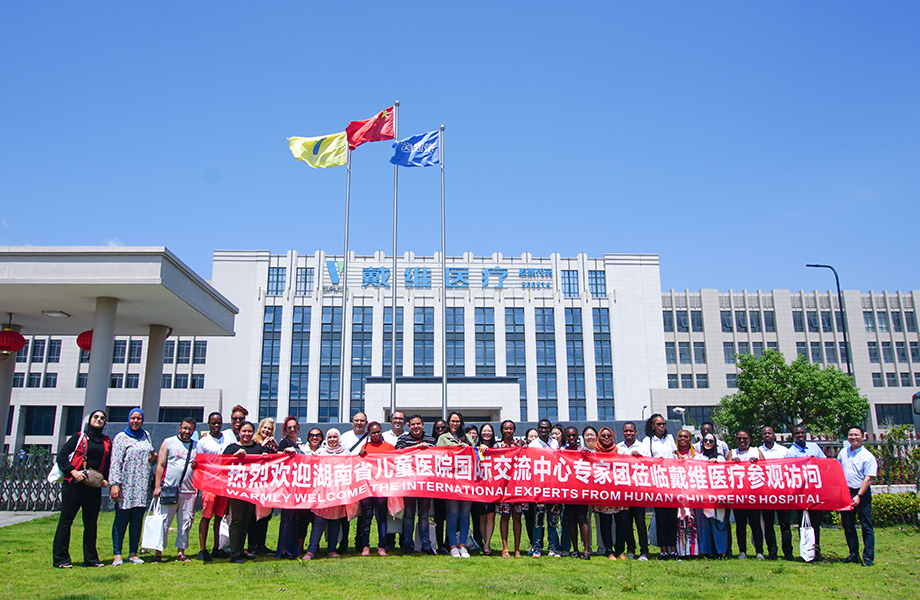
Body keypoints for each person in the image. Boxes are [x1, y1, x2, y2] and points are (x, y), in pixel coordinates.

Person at [52, 410, 111, 568]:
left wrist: (105, 479)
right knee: (66, 521)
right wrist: (73, 471)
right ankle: (61, 559)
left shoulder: (106, 441)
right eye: (96, 417)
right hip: (74, 484)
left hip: (93, 486)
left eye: (102, 418)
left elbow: (107, 462)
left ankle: (91, 559)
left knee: (91, 523)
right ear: (90, 419)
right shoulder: (79, 437)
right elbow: (62, 456)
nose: (99, 420)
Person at [109, 408, 155, 566]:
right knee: (121, 520)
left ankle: (133, 553)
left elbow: (149, 456)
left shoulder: (145, 435)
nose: (136, 421)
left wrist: (152, 458)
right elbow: (115, 462)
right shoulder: (121, 438)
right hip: (126, 484)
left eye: (139, 419)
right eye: (133, 418)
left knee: (136, 521)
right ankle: (117, 554)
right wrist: (115, 484)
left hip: (141, 486)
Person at [152, 417, 199, 563]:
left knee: (185, 522)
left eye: (190, 429)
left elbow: (199, 469)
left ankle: (181, 551)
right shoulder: (169, 442)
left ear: (193, 430)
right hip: (169, 489)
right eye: (184, 428)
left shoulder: (197, 446)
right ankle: (158, 552)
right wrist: (157, 486)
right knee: (164, 521)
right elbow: (160, 465)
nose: (187, 431)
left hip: (189, 491)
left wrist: (196, 488)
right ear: (179, 428)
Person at [303, 428, 349, 560]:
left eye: (335, 437)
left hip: (338, 493)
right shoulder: (320, 452)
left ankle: (332, 550)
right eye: (330, 437)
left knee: (335, 523)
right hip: (323, 493)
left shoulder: (345, 453)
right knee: (318, 522)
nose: (332, 440)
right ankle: (311, 550)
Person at [223, 421, 265, 563]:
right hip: (236, 490)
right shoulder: (231, 448)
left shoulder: (257, 448)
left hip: (252, 490)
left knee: (247, 521)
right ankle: (234, 553)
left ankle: (241, 550)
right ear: (239, 432)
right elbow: (221, 465)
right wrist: (234, 456)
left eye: (249, 431)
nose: (246, 434)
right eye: (244, 431)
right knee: (237, 520)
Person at [785, 423, 827, 561]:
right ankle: (806, 551)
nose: (800, 435)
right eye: (797, 434)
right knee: (804, 524)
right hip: (800, 494)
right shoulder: (790, 453)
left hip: (815, 492)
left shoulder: (814, 447)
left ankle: (817, 551)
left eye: (802, 433)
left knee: (816, 523)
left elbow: (824, 464)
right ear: (793, 436)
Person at [396, 414, 436, 555]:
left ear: (423, 425)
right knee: (409, 514)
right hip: (408, 484)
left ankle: (426, 544)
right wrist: (418, 447)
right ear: (408, 426)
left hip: (425, 484)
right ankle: (407, 543)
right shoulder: (403, 439)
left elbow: (438, 457)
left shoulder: (431, 440)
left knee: (424, 514)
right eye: (413, 424)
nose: (416, 427)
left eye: (418, 424)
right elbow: (398, 454)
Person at [837, 425, 877, 567]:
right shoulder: (843, 452)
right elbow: (838, 471)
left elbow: (868, 478)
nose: (853, 437)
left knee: (866, 525)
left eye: (856, 435)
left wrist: (859, 495)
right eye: (851, 435)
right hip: (846, 492)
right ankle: (853, 554)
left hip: (862, 493)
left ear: (863, 437)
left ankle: (868, 557)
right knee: (848, 525)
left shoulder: (867, 456)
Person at [195, 411, 232, 562]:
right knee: (206, 516)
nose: (216, 425)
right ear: (208, 424)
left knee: (219, 517)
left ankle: (217, 547)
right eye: (213, 423)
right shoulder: (203, 442)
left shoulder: (228, 439)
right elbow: (198, 463)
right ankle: (203, 549)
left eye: (218, 422)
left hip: (224, 484)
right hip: (209, 484)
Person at [438, 411, 475, 558]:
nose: (455, 424)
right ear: (448, 423)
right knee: (452, 514)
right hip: (450, 482)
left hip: (466, 482)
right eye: (452, 421)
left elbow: (478, 456)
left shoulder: (467, 438)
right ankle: (453, 546)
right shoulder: (443, 438)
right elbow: (438, 456)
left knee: (465, 514)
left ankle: (463, 545)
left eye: (457, 421)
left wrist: (468, 447)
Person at [643, 413, 678, 559]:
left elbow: (676, 456)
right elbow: (645, 460)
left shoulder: (669, 439)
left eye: (663, 424)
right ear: (653, 426)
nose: (662, 427)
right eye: (659, 424)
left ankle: (674, 549)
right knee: (661, 517)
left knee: (672, 517)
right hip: (658, 482)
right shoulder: (648, 441)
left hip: (671, 482)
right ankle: (663, 549)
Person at [357, 422, 394, 556]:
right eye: (373, 433)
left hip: (382, 489)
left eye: (378, 432)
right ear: (369, 434)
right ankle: (365, 546)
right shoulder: (365, 447)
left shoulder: (389, 447)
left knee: (381, 518)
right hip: (367, 489)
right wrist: (360, 456)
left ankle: (382, 546)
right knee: (366, 518)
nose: (376, 434)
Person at [615, 421, 650, 561]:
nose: (628, 433)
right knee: (626, 522)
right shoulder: (618, 448)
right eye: (626, 431)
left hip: (639, 491)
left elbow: (650, 466)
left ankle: (644, 551)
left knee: (640, 522)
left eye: (631, 431)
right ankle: (631, 549)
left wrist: (640, 459)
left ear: (635, 432)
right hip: (624, 492)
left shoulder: (643, 447)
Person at [729, 430, 765, 559]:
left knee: (755, 524)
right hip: (738, 496)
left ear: (749, 440)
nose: (742, 441)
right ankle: (742, 551)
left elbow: (766, 467)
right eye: (739, 439)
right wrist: (733, 463)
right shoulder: (732, 453)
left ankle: (759, 551)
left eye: (744, 438)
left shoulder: (756, 451)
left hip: (753, 495)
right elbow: (725, 470)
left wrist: (757, 463)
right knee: (740, 525)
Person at [337, 411, 368, 554]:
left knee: (363, 513)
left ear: (366, 423)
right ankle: (343, 542)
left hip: (364, 479)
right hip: (347, 479)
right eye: (356, 420)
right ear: (352, 422)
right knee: (345, 514)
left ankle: (360, 542)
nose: (359, 423)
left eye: (362, 421)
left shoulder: (370, 437)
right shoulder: (345, 437)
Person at [529, 419, 561, 558]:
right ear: (538, 429)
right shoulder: (533, 445)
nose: (544, 430)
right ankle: (537, 548)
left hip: (553, 487)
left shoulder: (555, 443)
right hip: (538, 488)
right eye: (541, 428)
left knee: (553, 519)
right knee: (539, 519)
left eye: (546, 428)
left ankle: (553, 548)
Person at [758, 425, 791, 560]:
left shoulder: (784, 451)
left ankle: (788, 552)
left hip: (782, 491)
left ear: (774, 436)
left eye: (769, 433)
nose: (767, 435)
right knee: (768, 523)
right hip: (766, 492)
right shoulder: (758, 451)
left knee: (785, 524)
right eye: (765, 433)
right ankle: (772, 551)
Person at [494, 420, 525, 558]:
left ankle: (517, 548)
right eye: (506, 428)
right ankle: (505, 547)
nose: (508, 431)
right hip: (504, 488)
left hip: (518, 487)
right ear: (501, 430)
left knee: (517, 518)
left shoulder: (521, 445)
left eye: (511, 428)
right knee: (504, 517)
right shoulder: (497, 446)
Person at [276, 416, 306, 559]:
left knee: (294, 519)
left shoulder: (297, 445)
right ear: (285, 430)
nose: (292, 430)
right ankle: (284, 550)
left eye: (295, 427)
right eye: (289, 428)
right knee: (287, 519)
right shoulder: (284, 442)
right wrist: (284, 452)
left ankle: (292, 549)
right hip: (287, 488)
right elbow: (277, 459)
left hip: (296, 488)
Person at [695, 433, 728, 559]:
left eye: (711, 441)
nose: (708, 443)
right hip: (702, 497)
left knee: (719, 523)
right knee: (704, 525)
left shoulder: (720, 458)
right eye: (705, 441)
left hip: (717, 497)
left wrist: (717, 465)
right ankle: (707, 551)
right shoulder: (698, 458)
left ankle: (721, 551)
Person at [248, 417, 277, 555]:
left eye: (269, 429)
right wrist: (263, 445)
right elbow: (254, 456)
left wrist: (275, 448)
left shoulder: (272, 445)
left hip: (268, 486)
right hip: (255, 486)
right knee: (254, 517)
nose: (266, 431)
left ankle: (261, 544)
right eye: (264, 428)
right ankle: (252, 545)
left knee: (265, 517)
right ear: (260, 428)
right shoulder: (254, 442)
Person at [593, 427, 623, 560]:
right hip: (603, 494)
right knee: (605, 523)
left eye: (608, 435)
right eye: (603, 435)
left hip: (619, 493)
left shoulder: (620, 452)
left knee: (621, 522)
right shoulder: (594, 454)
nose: (606, 437)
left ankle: (620, 550)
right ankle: (609, 551)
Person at [563, 426, 591, 560]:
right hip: (568, 491)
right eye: (569, 436)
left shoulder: (583, 451)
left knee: (582, 518)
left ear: (577, 436)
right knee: (571, 520)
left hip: (581, 490)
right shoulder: (563, 452)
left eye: (574, 435)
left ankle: (586, 550)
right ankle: (575, 549)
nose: (571, 438)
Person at [674, 429, 699, 558]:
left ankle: (693, 551)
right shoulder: (672, 455)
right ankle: (681, 551)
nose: (682, 438)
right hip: (677, 493)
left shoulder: (697, 455)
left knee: (692, 522)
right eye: (680, 436)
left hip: (692, 494)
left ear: (690, 439)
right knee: (680, 522)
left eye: (685, 436)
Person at [477, 423, 497, 555]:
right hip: (479, 487)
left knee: (491, 516)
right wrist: (479, 449)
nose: (487, 433)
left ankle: (487, 545)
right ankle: (484, 542)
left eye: (489, 431)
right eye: (484, 431)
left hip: (494, 487)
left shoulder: (497, 447)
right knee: (482, 518)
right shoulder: (476, 447)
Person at [430, 419, 449, 554]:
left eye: (443, 427)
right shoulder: (430, 443)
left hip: (451, 486)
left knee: (451, 516)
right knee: (438, 517)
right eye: (437, 428)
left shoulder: (452, 442)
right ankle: (438, 544)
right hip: (435, 486)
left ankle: (449, 543)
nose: (440, 430)